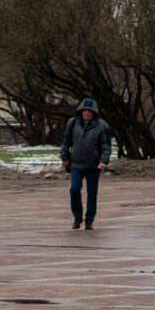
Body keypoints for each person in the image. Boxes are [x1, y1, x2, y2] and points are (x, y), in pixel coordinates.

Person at [61, 98, 113, 229]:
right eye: (84, 110)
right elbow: (66, 142)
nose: (86, 113)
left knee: (92, 192)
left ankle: (89, 219)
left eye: (89, 111)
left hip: (93, 165)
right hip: (76, 164)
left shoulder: (102, 126)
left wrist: (103, 161)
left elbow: (106, 146)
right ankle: (77, 217)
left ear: (94, 112)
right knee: (74, 189)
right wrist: (64, 156)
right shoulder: (73, 123)